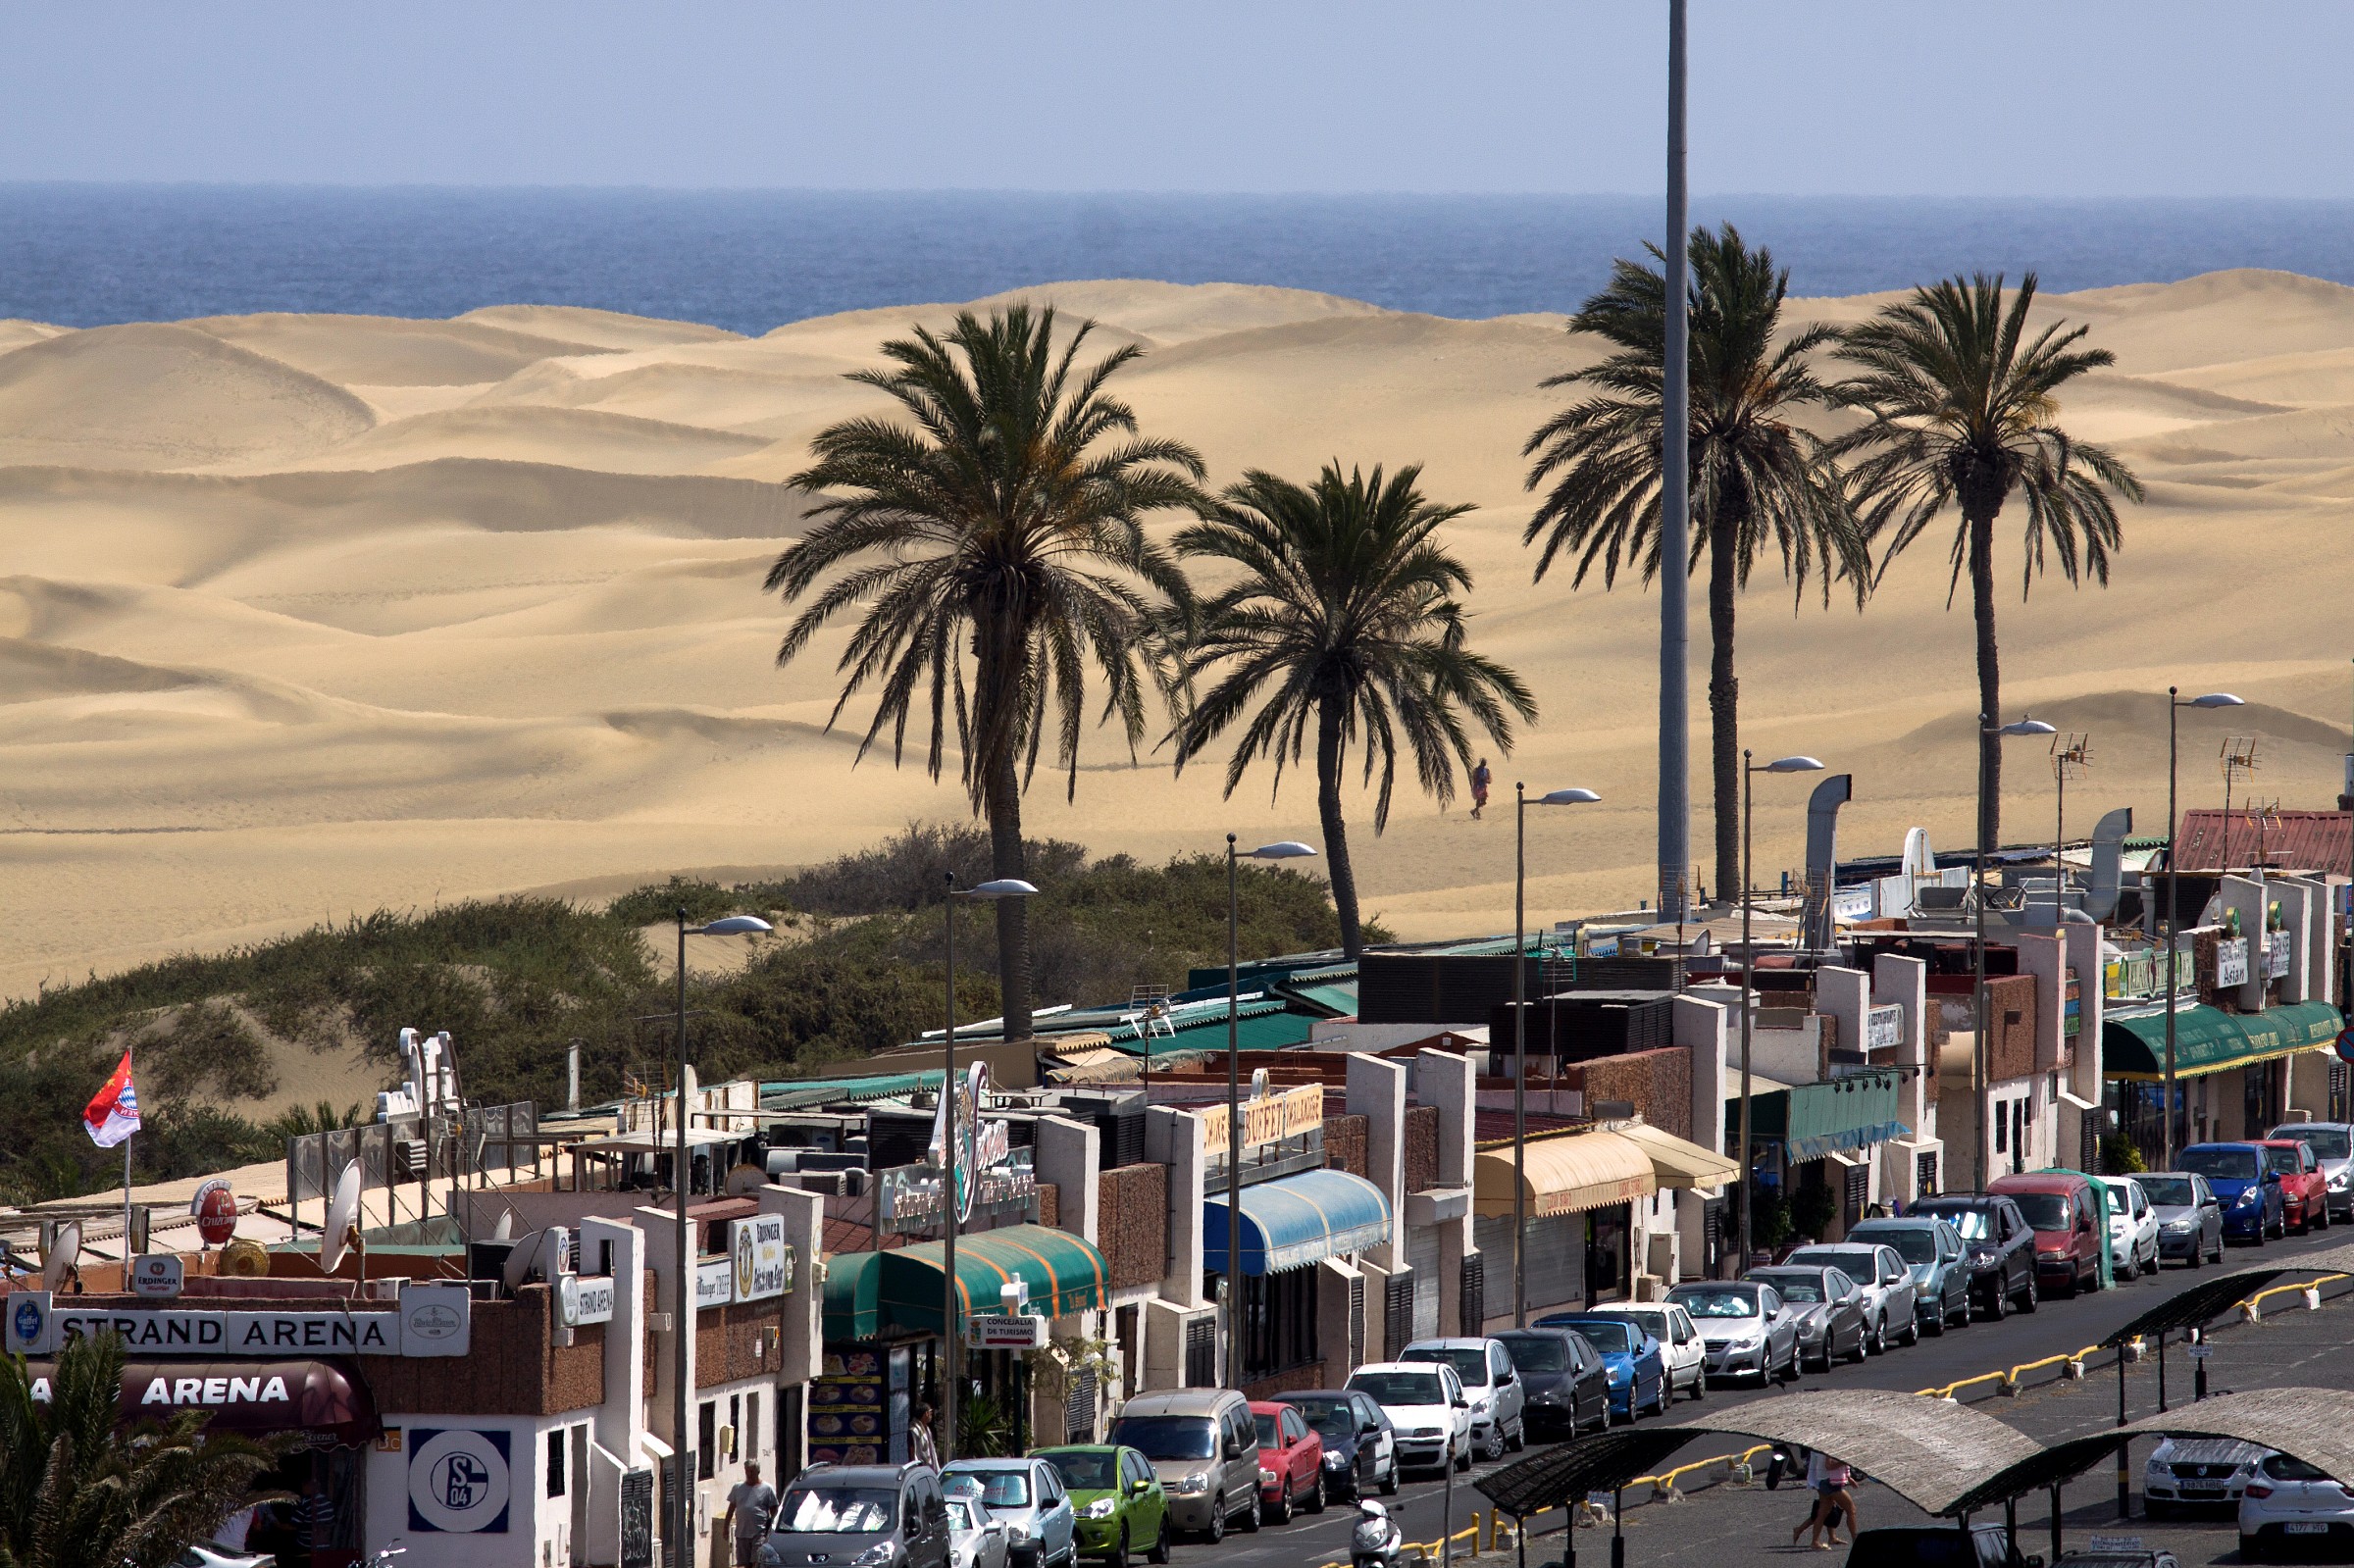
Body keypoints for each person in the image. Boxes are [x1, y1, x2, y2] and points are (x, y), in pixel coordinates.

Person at [724, 1463, 779, 1568]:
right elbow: (731, 1509)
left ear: (758, 1472)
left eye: (752, 1472)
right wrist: (725, 1528)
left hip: (759, 1533)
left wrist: (773, 1531)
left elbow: (774, 1512)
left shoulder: (767, 1489)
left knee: (757, 1563)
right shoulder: (737, 1488)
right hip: (741, 1534)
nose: (749, 1474)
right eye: (747, 1471)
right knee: (743, 1564)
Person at [293, 1475, 333, 1565]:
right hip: (326, 1546)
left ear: (308, 1486)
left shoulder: (306, 1502)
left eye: (303, 1486)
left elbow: (295, 1524)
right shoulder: (327, 1502)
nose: (302, 1489)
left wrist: (277, 1524)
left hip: (307, 1546)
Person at [909, 1402, 940, 1470]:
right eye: (930, 1412)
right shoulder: (914, 1431)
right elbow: (912, 1452)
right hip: (920, 1468)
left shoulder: (927, 1430)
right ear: (926, 1413)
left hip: (930, 1468)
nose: (931, 1415)